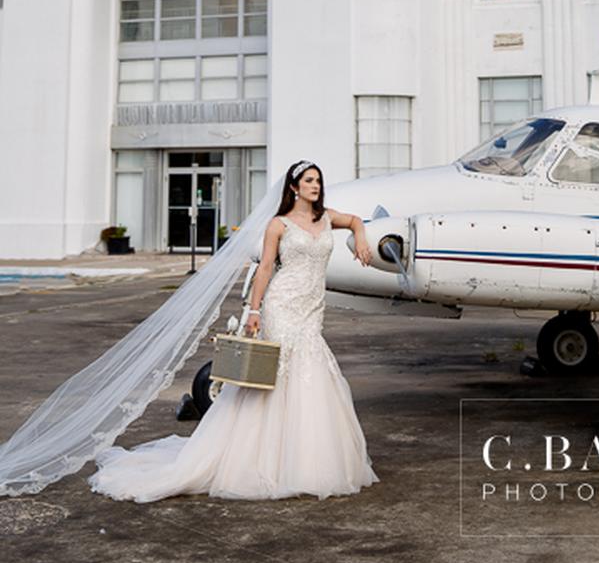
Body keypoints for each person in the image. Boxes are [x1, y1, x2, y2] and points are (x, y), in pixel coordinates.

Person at [86, 160, 379, 503]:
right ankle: (262, 460)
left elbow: (357, 220)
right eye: (308, 180)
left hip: (312, 308)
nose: (315, 185)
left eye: (318, 180)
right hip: (282, 305)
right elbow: (266, 268)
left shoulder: (326, 217)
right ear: (294, 187)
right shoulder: (278, 224)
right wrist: (254, 311)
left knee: (311, 372)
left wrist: (361, 240)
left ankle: (303, 457)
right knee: (277, 375)